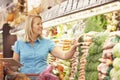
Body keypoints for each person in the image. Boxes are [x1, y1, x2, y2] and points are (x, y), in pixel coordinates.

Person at [4, 15, 80, 80]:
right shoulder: (19, 44)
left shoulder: (47, 43)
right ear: (30, 26)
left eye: (41, 24)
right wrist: (8, 66)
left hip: (43, 78)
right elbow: (15, 67)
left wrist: (73, 49)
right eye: (38, 24)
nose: (41, 26)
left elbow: (64, 55)